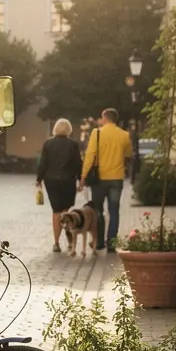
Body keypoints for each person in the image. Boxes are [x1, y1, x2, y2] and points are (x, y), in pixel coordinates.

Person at [79, 107, 134, 251]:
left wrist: (83, 177)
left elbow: (89, 156)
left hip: (99, 179)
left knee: (98, 210)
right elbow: (128, 155)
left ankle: (98, 242)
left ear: (105, 119)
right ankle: (111, 243)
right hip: (116, 178)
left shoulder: (96, 133)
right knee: (114, 210)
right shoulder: (124, 135)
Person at [36, 118, 82, 252]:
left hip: (51, 181)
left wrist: (39, 180)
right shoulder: (73, 144)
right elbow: (77, 163)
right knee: (66, 211)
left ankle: (56, 243)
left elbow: (43, 163)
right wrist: (81, 180)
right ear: (69, 129)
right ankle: (69, 241)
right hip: (68, 181)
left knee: (56, 211)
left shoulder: (48, 144)